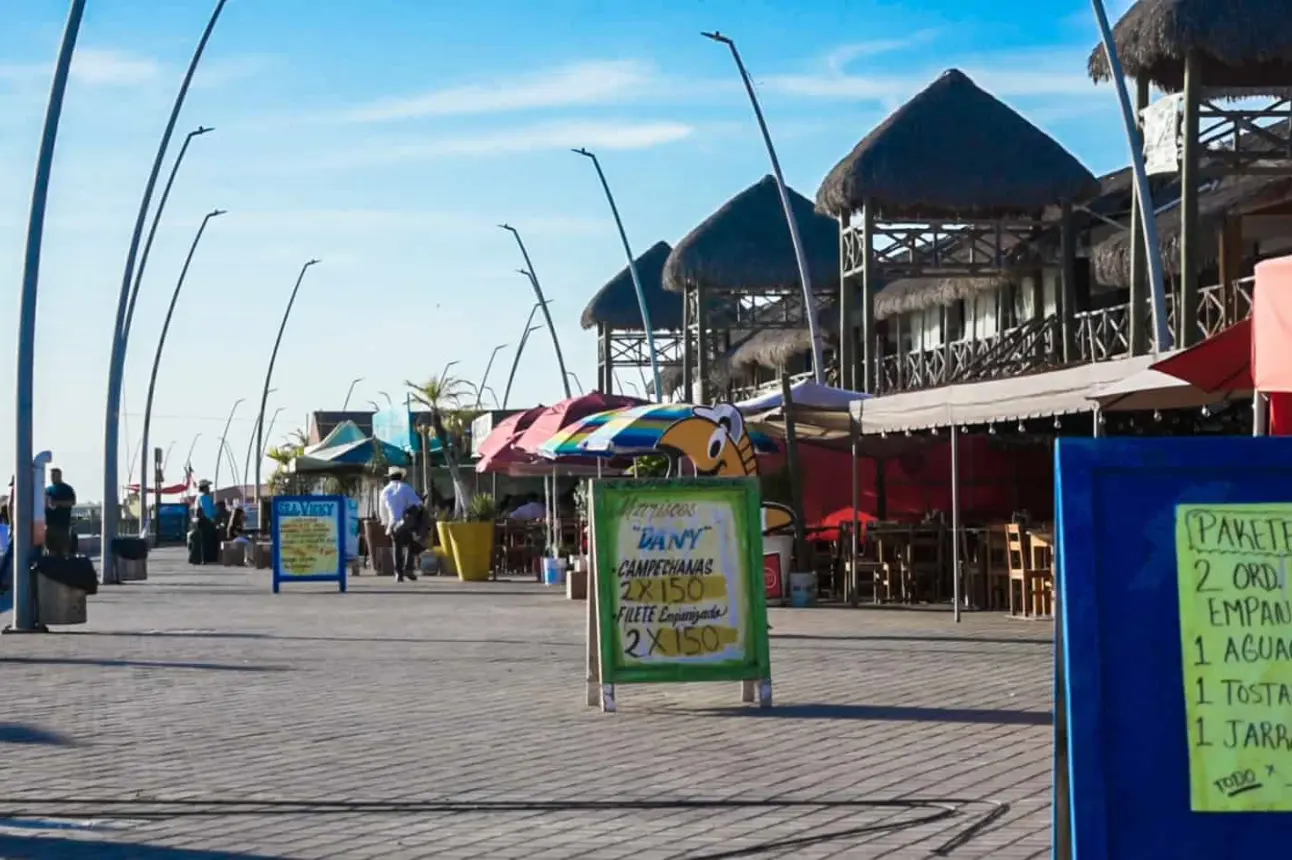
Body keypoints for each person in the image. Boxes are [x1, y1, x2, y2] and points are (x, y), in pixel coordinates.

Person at [380, 466, 421, 582]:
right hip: (405, 523)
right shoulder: (406, 488)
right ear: (401, 477)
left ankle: (398, 573)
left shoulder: (385, 491)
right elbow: (417, 504)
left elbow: (382, 511)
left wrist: (386, 524)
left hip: (392, 524)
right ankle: (408, 567)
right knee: (411, 544)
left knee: (397, 547)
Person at [44, 467, 76, 556]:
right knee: (51, 551)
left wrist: (58, 503)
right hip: (49, 525)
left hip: (62, 526)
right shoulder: (48, 490)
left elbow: (72, 502)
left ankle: (65, 568)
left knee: (64, 551)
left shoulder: (67, 489)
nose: (52, 477)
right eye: (51, 475)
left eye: (54, 475)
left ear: (59, 476)